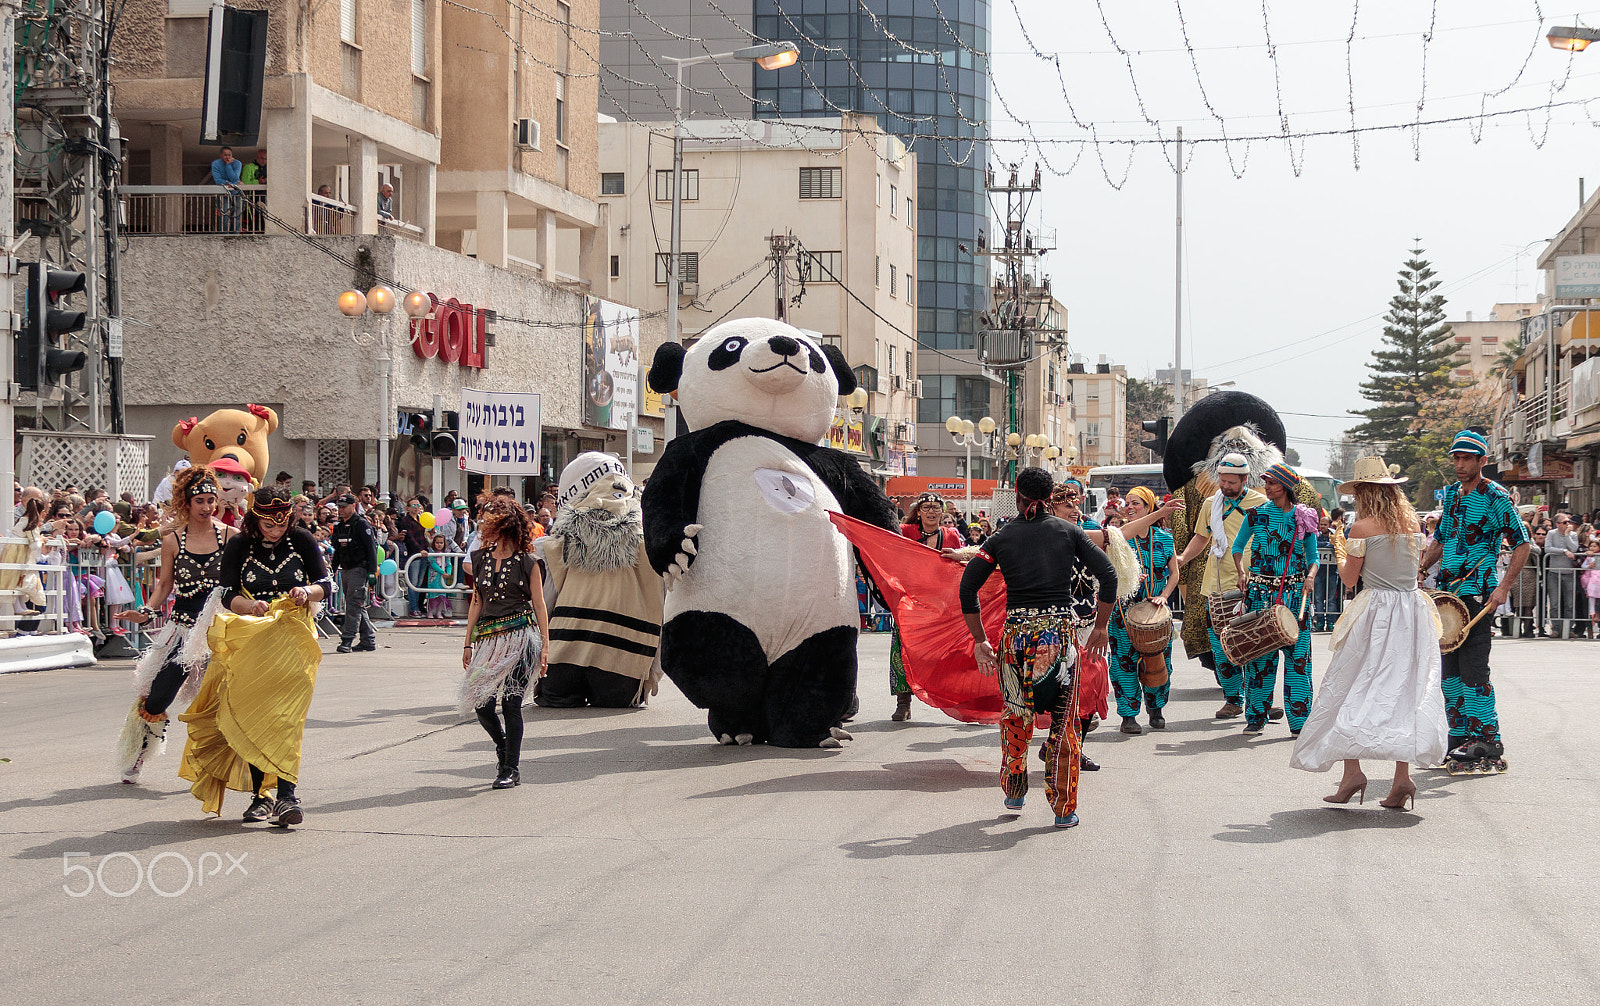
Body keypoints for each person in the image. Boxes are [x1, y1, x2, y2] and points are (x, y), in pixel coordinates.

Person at [959, 467, 1118, 829]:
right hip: (1060, 642)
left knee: (1016, 714)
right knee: (1064, 725)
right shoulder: (1069, 531)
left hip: (1014, 640)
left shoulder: (1001, 537)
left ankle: (1015, 789)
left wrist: (980, 639)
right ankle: (1064, 810)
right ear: (1050, 497)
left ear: (1017, 494)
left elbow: (967, 590)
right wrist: (1101, 627)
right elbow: (1109, 576)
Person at [1290, 457, 1445, 809]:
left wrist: (1341, 548)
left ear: (1363, 492)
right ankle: (1402, 779)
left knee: (1352, 685)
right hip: (1411, 611)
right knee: (1405, 689)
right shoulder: (1414, 525)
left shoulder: (1360, 528)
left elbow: (1348, 579)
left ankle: (1353, 774)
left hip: (1377, 613)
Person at [178, 486, 330, 826]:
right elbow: (228, 592)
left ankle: (288, 795)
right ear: (255, 519)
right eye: (268, 525)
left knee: (287, 718)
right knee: (252, 715)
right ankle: (261, 795)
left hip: (293, 640)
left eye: (281, 524)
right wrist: (250, 605)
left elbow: (324, 582)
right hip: (251, 640)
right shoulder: (239, 545)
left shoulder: (302, 539)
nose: (275, 530)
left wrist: (307, 591)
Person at [113, 466, 234, 783]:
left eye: (211, 500)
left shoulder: (231, 537)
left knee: (223, 700)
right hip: (182, 631)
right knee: (156, 696)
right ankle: (138, 755)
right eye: (201, 501)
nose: (207, 507)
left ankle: (220, 766)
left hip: (221, 633)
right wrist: (146, 612)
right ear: (186, 503)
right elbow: (164, 587)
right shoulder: (172, 541)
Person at [1419, 430, 1530, 773]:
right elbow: (1440, 539)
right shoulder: (1451, 495)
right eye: (1456, 458)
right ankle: (1458, 737)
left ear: (1483, 461)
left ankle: (1487, 739)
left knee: (1474, 673)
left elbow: (1522, 544)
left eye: (1467, 458)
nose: (1460, 464)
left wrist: (1503, 589)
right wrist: (1420, 569)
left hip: (1478, 596)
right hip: (1448, 596)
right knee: (1448, 676)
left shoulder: (1496, 496)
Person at [1172, 452, 1271, 719]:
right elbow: (1201, 538)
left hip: (1252, 584)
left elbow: (1268, 542)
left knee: (1254, 644)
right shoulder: (1210, 504)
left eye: (1231, 482)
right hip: (1215, 585)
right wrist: (1182, 558)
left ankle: (1259, 700)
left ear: (1244, 478)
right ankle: (1233, 698)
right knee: (1220, 646)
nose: (1225, 487)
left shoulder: (1260, 503)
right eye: (1222, 481)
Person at [459, 497, 549, 789]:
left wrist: (545, 647)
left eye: (491, 516)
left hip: (522, 637)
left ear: (507, 523)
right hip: (488, 639)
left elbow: (539, 604)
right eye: (484, 517)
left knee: (511, 703)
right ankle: (502, 746)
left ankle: (510, 768)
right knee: (481, 704)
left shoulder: (528, 562)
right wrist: (467, 643)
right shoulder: (479, 558)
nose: (485, 521)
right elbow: (477, 601)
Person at [1230, 463, 1319, 737]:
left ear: (1286, 486)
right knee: (1260, 658)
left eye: (1271, 483)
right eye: (1265, 482)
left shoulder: (1303, 517)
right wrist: (1242, 572)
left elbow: (1313, 558)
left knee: (1298, 660)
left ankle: (1300, 723)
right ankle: (1256, 718)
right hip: (1260, 595)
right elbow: (1237, 547)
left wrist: (1311, 576)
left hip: (1294, 595)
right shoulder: (1255, 515)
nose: (1266, 487)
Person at [1108, 486, 1178, 734]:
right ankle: (1128, 716)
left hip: (1155, 612)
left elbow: (1174, 573)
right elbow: (1107, 572)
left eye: (1136, 503)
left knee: (1159, 662)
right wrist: (1126, 579)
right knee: (1123, 664)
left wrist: (1164, 596)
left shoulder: (1165, 538)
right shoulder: (1118, 537)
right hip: (1123, 612)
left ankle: (1156, 709)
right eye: (1127, 503)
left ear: (1149, 507)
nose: (1129, 507)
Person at [890, 493, 964, 721]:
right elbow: (893, 556)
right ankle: (903, 702)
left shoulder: (951, 535)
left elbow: (961, 565)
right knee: (902, 650)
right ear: (918, 512)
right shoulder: (906, 532)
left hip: (942, 603)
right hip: (911, 601)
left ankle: (962, 700)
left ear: (942, 512)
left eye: (935, 507)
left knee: (953, 652)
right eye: (926, 507)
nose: (931, 512)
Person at [330, 492, 378, 653]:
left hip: (360, 568)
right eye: (339, 507)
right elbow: (337, 550)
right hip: (346, 567)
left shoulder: (362, 525)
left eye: (344, 507)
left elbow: (371, 550)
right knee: (357, 604)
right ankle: (368, 640)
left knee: (353, 604)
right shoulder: (339, 527)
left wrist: (372, 572)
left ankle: (347, 640)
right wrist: (333, 567)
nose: (341, 510)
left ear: (353, 506)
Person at [1544, 512, 1582, 637]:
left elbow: (1574, 548)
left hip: (1569, 573)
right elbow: (1548, 548)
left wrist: (1566, 536)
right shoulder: (1551, 533)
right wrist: (1564, 551)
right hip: (1554, 572)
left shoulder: (1573, 535)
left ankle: (1568, 628)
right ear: (1557, 524)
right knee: (1554, 603)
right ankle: (1555, 628)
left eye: (1568, 522)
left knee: (1569, 603)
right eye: (1565, 522)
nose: (1568, 524)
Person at [210, 146, 242, 232]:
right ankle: (223, 234)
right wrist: (233, 183)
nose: (227, 157)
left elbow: (234, 178)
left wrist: (228, 166)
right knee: (224, 216)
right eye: (225, 155)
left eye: (229, 155)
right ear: (220, 155)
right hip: (223, 193)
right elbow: (218, 181)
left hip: (236, 193)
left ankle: (235, 235)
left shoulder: (237, 163)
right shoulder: (215, 164)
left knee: (237, 215)